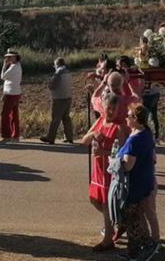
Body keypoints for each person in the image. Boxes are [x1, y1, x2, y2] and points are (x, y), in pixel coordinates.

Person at [81, 94, 126, 251]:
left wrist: (104, 152)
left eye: (114, 109)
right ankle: (118, 221)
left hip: (109, 172)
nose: (111, 111)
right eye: (109, 108)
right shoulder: (99, 121)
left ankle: (108, 239)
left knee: (107, 204)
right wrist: (93, 134)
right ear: (104, 108)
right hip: (97, 171)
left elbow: (121, 154)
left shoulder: (119, 128)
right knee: (94, 200)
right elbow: (83, 141)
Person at [117, 104, 158, 260]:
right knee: (135, 216)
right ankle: (133, 251)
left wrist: (116, 162)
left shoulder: (135, 139)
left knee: (130, 217)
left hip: (134, 184)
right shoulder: (146, 133)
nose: (126, 118)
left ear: (135, 118)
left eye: (128, 116)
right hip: (145, 181)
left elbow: (128, 165)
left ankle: (147, 245)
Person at [40, 57, 73, 144]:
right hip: (68, 97)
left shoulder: (58, 73)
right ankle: (69, 137)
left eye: (54, 65)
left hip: (59, 99)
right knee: (66, 118)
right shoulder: (68, 72)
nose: (54, 66)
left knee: (55, 119)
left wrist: (48, 83)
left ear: (57, 64)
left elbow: (52, 86)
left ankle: (50, 138)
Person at [0, 49, 23, 144]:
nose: (8, 58)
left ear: (15, 57)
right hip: (16, 93)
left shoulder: (13, 67)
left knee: (5, 115)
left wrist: (4, 65)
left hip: (11, 94)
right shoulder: (17, 65)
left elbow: (3, 76)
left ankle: (6, 136)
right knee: (14, 115)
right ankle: (15, 136)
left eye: (10, 57)